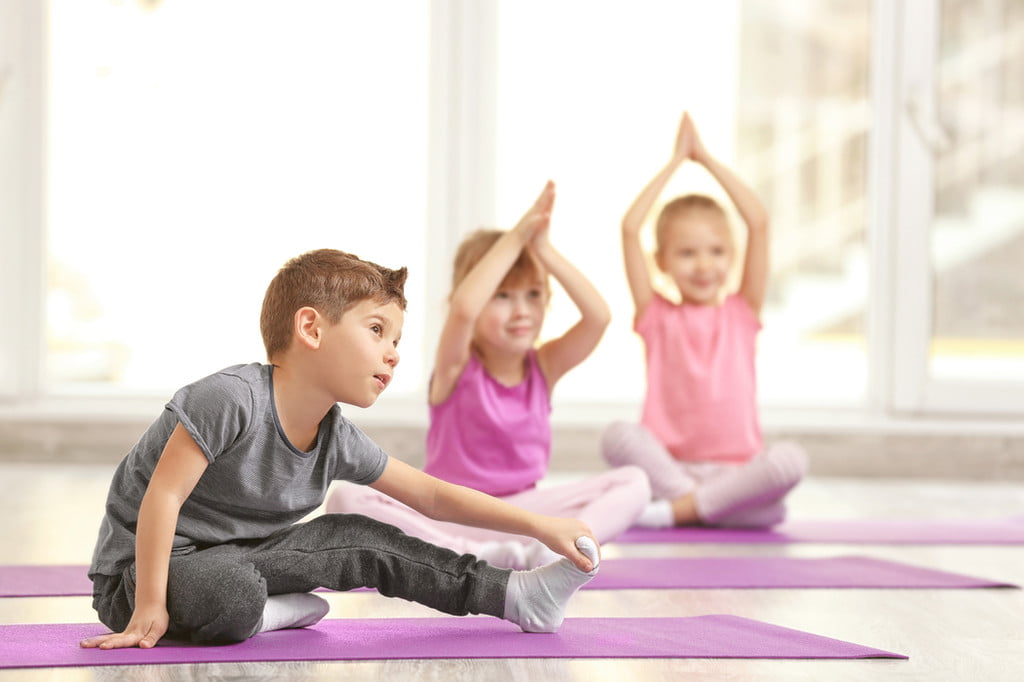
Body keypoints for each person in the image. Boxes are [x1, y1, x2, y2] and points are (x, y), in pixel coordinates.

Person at [80, 248, 600, 650]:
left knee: (358, 537)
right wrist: (149, 602)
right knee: (230, 592)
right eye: (377, 331)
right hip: (142, 575)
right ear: (311, 327)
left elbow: (433, 497)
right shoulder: (230, 398)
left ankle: (515, 596)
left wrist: (539, 526)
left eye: (396, 340)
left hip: (244, 561)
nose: (392, 354)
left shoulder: (336, 435)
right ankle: (269, 611)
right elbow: (162, 497)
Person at [327, 182, 650, 568]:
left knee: (635, 482)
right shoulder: (455, 366)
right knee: (346, 498)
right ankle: (470, 554)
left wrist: (543, 248)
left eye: (532, 295)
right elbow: (464, 308)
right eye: (501, 295)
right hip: (449, 512)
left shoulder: (543, 367)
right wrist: (518, 235)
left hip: (520, 517)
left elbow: (599, 316)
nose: (521, 311)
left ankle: (556, 550)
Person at [600, 112, 807, 529]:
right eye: (687, 253)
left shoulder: (742, 312)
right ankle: (700, 507)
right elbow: (629, 228)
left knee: (790, 462)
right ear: (662, 262)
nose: (703, 265)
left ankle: (680, 512)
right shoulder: (656, 316)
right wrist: (676, 163)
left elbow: (759, 222)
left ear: (732, 256)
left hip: (734, 473)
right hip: (669, 470)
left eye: (716, 251)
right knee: (618, 435)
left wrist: (706, 160)